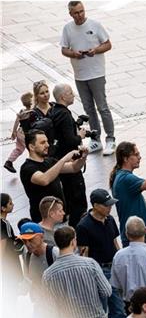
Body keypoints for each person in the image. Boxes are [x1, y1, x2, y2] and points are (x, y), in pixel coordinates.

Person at [42, 226, 113, 318]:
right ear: (73, 242)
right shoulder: (90, 264)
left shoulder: (48, 274)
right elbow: (107, 291)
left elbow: (49, 308)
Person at [59, 1, 115, 155]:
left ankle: (111, 139)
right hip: (80, 75)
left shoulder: (95, 25)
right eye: (76, 13)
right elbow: (64, 49)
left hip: (96, 73)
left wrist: (95, 50)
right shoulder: (68, 28)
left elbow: (108, 44)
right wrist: (73, 54)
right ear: (70, 13)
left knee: (102, 107)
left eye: (82, 11)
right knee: (89, 109)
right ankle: (96, 139)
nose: (80, 15)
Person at [77, 188, 125, 318]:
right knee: (106, 308)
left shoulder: (110, 220)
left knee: (118, 307)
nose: (110, 207)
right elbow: (84, 253)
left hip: (114, 267)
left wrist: (119, 262)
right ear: (96, 205)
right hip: (99, 270)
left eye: (110, 204)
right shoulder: (84, 226)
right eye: (106, 205)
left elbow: (114, 242)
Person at [19, 130, 86, 223]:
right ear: (31, 147)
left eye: (47, 141)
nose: (47, 145)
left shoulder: (49, 161)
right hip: (44, 222)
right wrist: (64, 159)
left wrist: (83, 157)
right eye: (43, 143)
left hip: (60, 217)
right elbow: (44, 179)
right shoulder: (27, 168)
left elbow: (74, 168)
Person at [49, 83, 89, 225]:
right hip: (69, 161)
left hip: (59, 160)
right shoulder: (64, 114)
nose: (73, 95)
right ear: (63, 96)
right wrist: (80, 136)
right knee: (77, 199)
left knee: (69, 196)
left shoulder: (54, 111)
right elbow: (70, 140)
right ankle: (78, 229)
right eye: (71, 92)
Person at [4, 92, 33, 173]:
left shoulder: (22, 111)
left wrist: (14, 132)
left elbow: (17, 121)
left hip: (19, 132)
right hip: (26, 135)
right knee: (33, 150)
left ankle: (9, 162)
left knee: (19, 149)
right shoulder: (31, 112)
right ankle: (35, 165)